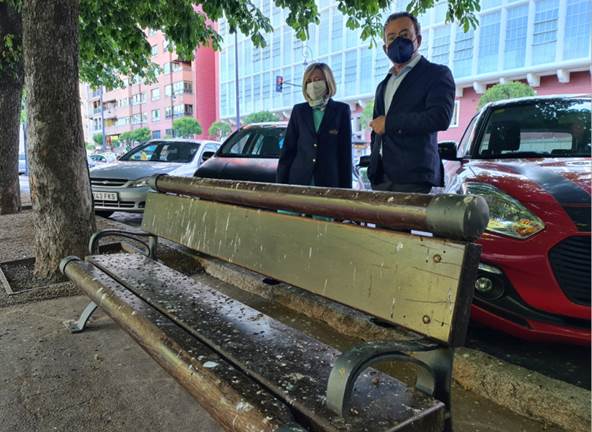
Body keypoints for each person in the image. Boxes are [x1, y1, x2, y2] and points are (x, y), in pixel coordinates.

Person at [368, 12, 455, 193]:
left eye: (405, 34)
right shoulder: (383, 85)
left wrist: (390, 123)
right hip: (380, 178)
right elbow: (377, 129)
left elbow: (440, 117)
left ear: (418, 39)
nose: (398, 41)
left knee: (409, 223)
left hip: (415, 178)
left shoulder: (436, 74)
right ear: (385, 48)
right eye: (391, 37)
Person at [277, 62, 352, 188]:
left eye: (317, 80)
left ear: (328, 81)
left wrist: (346, 192)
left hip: (329, 183)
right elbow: (288, 151)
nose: (312, 85)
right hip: (298, 182)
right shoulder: (299, 111)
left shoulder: (341, 110)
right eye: (309, 81)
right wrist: (280, 186)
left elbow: (345, 155)